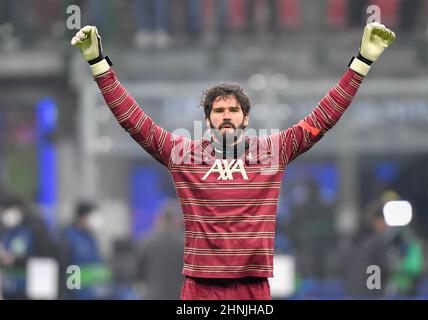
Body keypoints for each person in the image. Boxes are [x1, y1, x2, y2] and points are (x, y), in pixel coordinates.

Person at [71, 22, 395, 300]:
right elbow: (134, 122)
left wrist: (362, 61)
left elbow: (323, 118)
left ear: (245, 118)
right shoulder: (185, 155)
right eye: (218, 110)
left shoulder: (273, 151)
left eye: (233, 110)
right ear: (208, 119)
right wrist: (99, 63)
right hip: (200, 287)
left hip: (252, 287)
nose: (226, 116)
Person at [58, 201, 113, 299]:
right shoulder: (68, 237)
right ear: (82, 217)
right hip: (75, 295)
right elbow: (65, 267)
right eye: (92, 216)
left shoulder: (90, 237)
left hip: (93, 294)